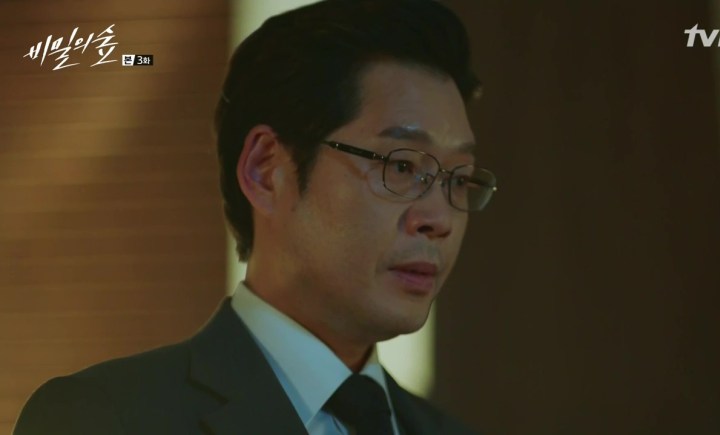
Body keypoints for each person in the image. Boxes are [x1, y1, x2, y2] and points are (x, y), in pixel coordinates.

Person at [13, 0, 497, 433]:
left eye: (458, 179)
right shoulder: (105, 419)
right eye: (402, 167)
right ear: (267, 171)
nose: (440, 218)